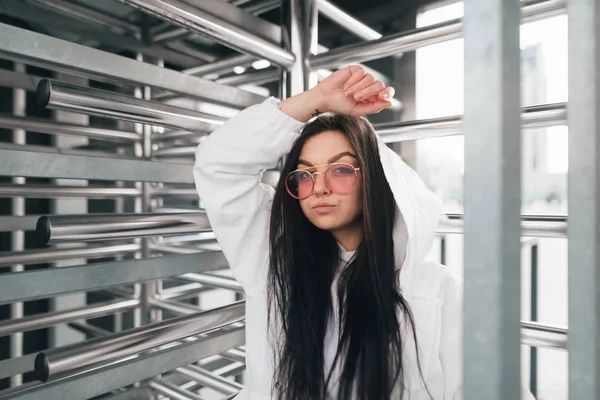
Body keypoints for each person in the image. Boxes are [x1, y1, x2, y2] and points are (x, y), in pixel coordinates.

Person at [193, 65, 462, 400]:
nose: (318, 188)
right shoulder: (274, 264)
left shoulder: (432, 289)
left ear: (375, 180)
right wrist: (317, 98)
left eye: (340, 170)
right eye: (304, 175)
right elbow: (218, 164)